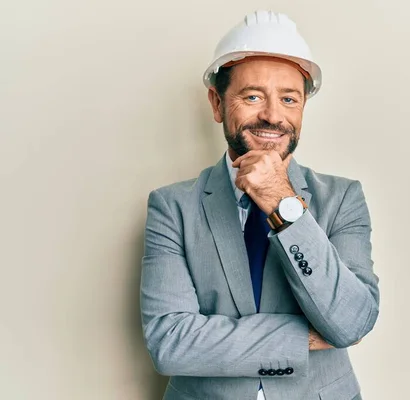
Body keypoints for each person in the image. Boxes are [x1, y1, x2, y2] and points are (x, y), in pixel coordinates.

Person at [140, 10, 380, 400]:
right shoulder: (172, 206)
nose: (272, 115)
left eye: (289, 99)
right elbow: (169, 343)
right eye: (252, 96)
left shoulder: (343, 199)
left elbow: (352, 322)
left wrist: (282, 201)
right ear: (217, 104)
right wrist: (302, 335)